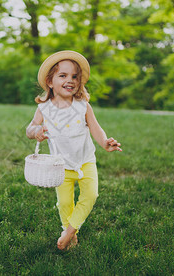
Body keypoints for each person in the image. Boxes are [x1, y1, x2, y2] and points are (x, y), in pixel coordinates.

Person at [26, 50, 122, 250]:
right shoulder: (45, 108)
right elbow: (30, 128)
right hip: (60, 165)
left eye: (74, 76)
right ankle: (68, 230)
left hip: (85, 161)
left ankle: (70, 230)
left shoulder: (83, 106)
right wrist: (36, 131)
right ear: (50, 82)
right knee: (64, 204)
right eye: (63, 75)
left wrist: (105, 143)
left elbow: (95, 128)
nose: (70, 80)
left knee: (91, 195)